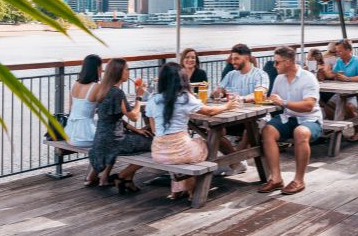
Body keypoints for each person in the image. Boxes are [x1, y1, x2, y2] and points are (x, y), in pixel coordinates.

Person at [147, 62, 236, 200]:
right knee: (205, 145)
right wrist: (227, 106)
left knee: (181, 153)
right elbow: (210, 111)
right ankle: (192, 190)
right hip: (181, 151)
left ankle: (177, 190)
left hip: (159, 152)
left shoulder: (153, 99)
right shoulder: (184, 98)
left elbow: (154, 129)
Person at [259, 46, 323, 195]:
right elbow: (274, 99)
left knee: (300, 132)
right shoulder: (279, 79)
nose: (274, 66)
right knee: (267, 131)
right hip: (288, 118)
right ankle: (276, 179)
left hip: (310, 119)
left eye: (277, 62)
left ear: (287, 62)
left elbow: (308, 106)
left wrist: (284, 102)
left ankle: (299, 180)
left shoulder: (308, 78)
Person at [87, 58, 152, 191]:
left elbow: (112, 118)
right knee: (154, 142)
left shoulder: (102, 90)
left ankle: (127, 180)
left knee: (143, 133)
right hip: (116, 141)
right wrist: (139, 96)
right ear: (118, 72)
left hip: (100, 139)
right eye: (127, 69)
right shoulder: (117, 93)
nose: (128, 72)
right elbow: (135, 116)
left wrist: (136, 130)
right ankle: (124, 177)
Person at [212, 43, 269, 174]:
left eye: (236, 58)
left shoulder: (260, 74)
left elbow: (259, 92)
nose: (233, 61)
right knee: (213, 129)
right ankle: (235, 162)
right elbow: (219, 90)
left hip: (256, 116)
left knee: (252, 126)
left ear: (247, 58)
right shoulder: (231, 74)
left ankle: (235, 160)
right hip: (232, 116)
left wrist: (242, 99)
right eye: (232, 58)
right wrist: (217, 93)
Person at [64, 54, 102, 148]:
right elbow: (104, 110)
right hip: (85, 138)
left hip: (70, 134)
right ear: (97, 68)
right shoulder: (96, 86)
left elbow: (71, 109)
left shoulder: (74, 84)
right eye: (101, 67)